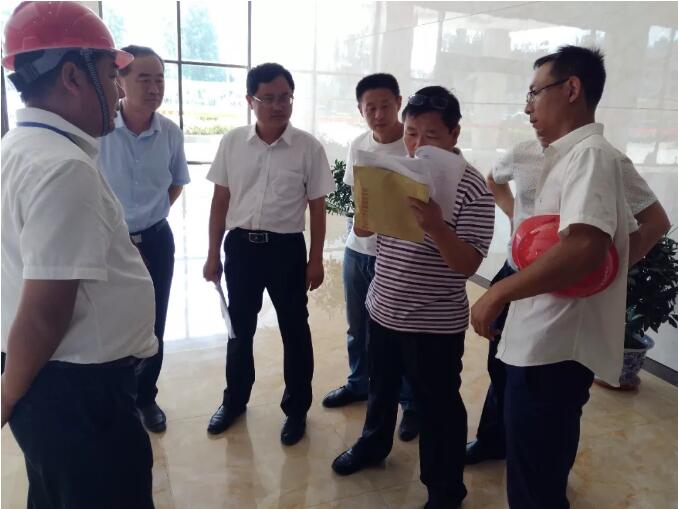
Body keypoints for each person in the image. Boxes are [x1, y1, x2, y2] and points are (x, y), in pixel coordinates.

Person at [1, 2, 157, 507]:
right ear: (72, 76)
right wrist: (7, 397)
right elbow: (44, 314)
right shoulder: (63, 167)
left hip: (52, 385)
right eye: (112, 75)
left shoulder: (18, 147)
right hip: (78, 395)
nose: (119, 91)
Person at [470, 46, 640, 508]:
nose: (527, 107)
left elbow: (586, 247)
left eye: (534, 93)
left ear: (571, 89)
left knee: (535, 482)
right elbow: (605, 240)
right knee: (537, 463)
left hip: (554, 345)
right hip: (541, 336)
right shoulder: (564, 156)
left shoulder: (591, 156)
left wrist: (499, 292)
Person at [332, 87, 495, 509]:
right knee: (380, 388)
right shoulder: (396, 171)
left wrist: (437, 227)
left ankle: (445, 491)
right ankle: (373, 446)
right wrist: (368, 205)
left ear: (455, 134)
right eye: (411, 133)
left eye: (431, 135)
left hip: (434, 323)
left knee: (439, 408)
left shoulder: (473, 188)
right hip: (383, 307)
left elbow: (466, 264)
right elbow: (365, 231)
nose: (419, 145)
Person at [203, 62, 334, 446]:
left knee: (295, 330)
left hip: (286, 251)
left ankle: (296, 410)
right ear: (251, 100)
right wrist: (212, 254)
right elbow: (220, 201)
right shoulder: (232, 142)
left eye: (285, 98)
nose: (279, 106)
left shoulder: (308, 148)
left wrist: (315, 259)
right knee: (239, 328)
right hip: (241, 248)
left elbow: (318, 208)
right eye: (269, 98)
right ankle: (234, 400)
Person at [321, 73, 420, 441]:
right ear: (360, 110)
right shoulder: (359, 145)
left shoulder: (413, 147)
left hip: (397, 259)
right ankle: (358, 382)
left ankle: (410, 403)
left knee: (401, 335)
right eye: (370, 108)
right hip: (357, 251)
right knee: (357, 326)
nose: (378, 115)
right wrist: (358, 227)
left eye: (385, 106)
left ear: (399, 103)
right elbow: (356, 197)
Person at [98, 44, 190, 433]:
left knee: (153, 320)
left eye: (160, 80)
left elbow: (176, 182)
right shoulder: (99, 130)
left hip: (155, 241)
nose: (154, 88)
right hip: (107, 243)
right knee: (109, 320)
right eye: (144, 79)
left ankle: (146, 397)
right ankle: (114, 398)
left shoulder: (169, 132)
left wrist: (152, 214)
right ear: (120, 81)